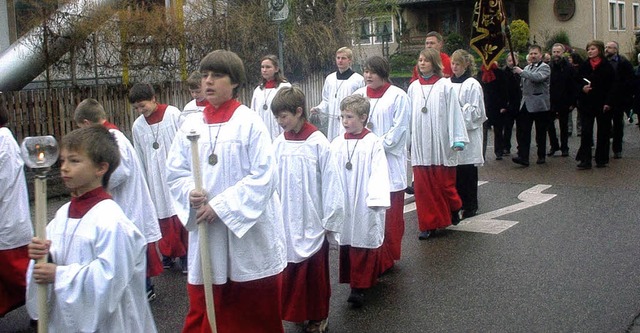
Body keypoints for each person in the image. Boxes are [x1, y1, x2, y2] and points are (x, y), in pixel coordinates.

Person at [166, 50, 287, 333]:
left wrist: (220, 206)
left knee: (252, 314)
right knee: (208, 309)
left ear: (234, 82)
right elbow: (175, 172)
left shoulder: (249, 123)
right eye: (205, 75)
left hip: (247, 237)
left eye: (217, 75)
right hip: (209, 238)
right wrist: (189, 193)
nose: (208, 82)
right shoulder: (190, 125)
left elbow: (265, 176)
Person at [25, 126, 157, 332]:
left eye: (74, 160)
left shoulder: (113, 222)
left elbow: (110, 281)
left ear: (101, 168)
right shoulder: (62, 215)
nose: (64, 168)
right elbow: (50, 261)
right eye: (62, 160)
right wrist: (41, 257)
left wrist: (58, 275)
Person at [73, 98, 164, 300]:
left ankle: (144, 288)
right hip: (122, 203)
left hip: (128, 203)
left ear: (87, 123)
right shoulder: (108, 137)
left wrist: (94, 183)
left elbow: (120, 171)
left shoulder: (112, 139)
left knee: (129, 249)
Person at [271, 86, 345, 333]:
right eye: (277, 117)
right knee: (289, 270)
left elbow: (332, 183)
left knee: (314, 273)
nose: (280, 122)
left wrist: (330, 220)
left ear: (299, 111)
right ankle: (297, 312)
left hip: (313, 218)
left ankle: (318, 315)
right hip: (287, 217)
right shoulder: (278, 144)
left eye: (284, 116)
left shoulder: (318, 143)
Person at [329, 94, 390, 308]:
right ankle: (353, 281)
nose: (345, 121)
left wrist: (375, 198)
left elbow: (379, 172)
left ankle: (360, 287)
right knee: (347, 238)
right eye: (342, 117)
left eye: (350, 117)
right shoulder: (336, 143)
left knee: (363, 237)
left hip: (364, 199)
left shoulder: (373, 143)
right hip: (344, 199)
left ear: (363, 117)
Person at [352, 56, 410, 273]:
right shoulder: (357, 96)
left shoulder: (398, 96)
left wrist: (375, 145)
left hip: (389, 162)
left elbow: (400, 129)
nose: (368, 76)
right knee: (368, 212)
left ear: (383, 73)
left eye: (372, 72)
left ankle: (387, 257)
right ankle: (371, 255)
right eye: (365, 71)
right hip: (364, 163)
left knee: (390, 215)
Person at [407, 48, 468, 240]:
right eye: (420, 60)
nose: (422, 63)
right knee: (423, 188)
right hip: (420, 144)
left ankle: (455, 206)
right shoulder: (413, 87)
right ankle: (428, 224)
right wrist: (407, 140)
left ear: (435, 63)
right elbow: (408, 117)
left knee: (444, 184)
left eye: (426, 60)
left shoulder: (445, 86)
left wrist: (457, 137)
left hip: (440, 142)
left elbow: (454, 112)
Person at [129, 83, 188, 273]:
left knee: (180, 212)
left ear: (153, 99)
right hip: (155, 177)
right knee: (161, 214)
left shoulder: (172, 114)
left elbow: (186, 142)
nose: (140, 110)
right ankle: (168, 254)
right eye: (136, 108)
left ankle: (187, 255)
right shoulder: (138, 126)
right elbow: (139, 155)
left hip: (175, 173)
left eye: (142, 105)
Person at [0, 104, 32, 317]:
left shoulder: (3, 140)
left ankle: (45, 306)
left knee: (18, 274)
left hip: (8, 219)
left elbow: (3, 180)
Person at [450, 49, 487, 219]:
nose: (455, 67)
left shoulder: (472, 84)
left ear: (466, 65)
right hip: (452, 134)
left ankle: (471, 205)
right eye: (453, 63)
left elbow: (476, 112)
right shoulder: (446, 83)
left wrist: (458, 114)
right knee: (455, 172)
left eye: (458, 64)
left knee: (468, 172)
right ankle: (457, 204)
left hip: (468, 135)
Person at [310, 47, 365, 141]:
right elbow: (326, 100)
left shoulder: (358, 80)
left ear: (350, 60)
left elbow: (360, 103)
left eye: (343, 58)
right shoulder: (330, 79)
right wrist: (318, 109)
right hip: (333, 122)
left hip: (349, 121)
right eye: (338, 58)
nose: (340, 61)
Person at [576, 40, 615, 169]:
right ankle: (585, 160)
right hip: (587, 103)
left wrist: (609, 102)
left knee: (603, 131)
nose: (590, 51)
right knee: (586, 131)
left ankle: (601, 159)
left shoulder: (607, 66)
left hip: (602, 103)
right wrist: (582, 88)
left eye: (592, 49)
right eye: (588, 49)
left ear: (599, 50)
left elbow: (613, 86)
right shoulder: (585, 65)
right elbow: (577, 81)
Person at [511, 44, 551, 166]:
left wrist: (521, 72)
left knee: (540, 132)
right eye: (531, 54)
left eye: (535, 53)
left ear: (540, 55)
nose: (533, 56)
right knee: (523, 131)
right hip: (526, 103)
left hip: (539, 104)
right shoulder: (528, 67)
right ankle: (523, 156)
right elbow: (523, 84)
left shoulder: (545, 67)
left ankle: (541, 155)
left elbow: (537, 78)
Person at [251, 54, 292, 141]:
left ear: (276, 69)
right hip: (262, 134)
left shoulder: (284, 87)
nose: (264, 70)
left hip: (280, 131)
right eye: (262, 67)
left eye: (268, 67)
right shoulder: (258, 90)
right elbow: (253, 113)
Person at [604, 41, 634, 159]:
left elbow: (630, 80)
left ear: (616, 50)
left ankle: (617, 149)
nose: (607, 49)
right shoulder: (603, 62)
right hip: (605, 97)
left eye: (610, 48)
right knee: (605, 124)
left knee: (617, 123)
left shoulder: (623, 63)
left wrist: (626, 93)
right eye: (606, 47)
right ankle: (604, 149)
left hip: (619, 99)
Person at [547, 43, 577, 157]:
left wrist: (572, 102)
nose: (556, 54)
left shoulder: (569, 67)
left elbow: (573, 85)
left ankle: (565, 147)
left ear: (562, 53)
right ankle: (554, 145)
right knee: (549, 125)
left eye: (558, 52)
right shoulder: (548, 67)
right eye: (554, 52)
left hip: (564, 100)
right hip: (550, 101)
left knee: (563, 126)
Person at [479, 59, 508, 160]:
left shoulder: (499, 73)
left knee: (498, 130)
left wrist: (504, 105)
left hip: (497, 105)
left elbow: (504, 89)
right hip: (485, 105)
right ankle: (482, 153)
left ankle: (499, 151)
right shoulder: (480, 72)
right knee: (483, 131)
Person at [502, 52, 522, 156]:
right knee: (508, 128)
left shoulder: (521, 71)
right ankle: (506, 147)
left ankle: (521, 147)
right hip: (509, 103)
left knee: (521, 129)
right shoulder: (503, 73)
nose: (511, 63)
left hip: (519, 103)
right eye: (509, 61)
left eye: (513, 61)